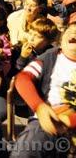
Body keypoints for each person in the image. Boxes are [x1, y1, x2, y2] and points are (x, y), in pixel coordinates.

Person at [11, 23, 76, 157]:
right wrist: (39, 106)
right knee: (25, 151)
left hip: (69, 120)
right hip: (47, 121)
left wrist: (70, 120)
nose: (73, 33)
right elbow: (23, 78)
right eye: (69, 30)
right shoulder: (50, 57)